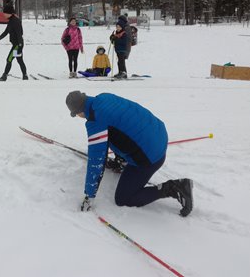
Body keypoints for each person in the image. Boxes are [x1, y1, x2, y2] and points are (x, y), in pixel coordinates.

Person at [65, 90, 193, 217]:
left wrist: (89, 195)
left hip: (149, 157)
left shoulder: (95, 121)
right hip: (158, 135)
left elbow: (96, 160)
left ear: (79, 112)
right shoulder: (104, 97)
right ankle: (120, 161)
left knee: (123, 198)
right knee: (115, 131)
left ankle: (174, 188)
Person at [0, 0, 28, 81]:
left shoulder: (15, 21)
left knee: (9, 59)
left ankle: (4, 76)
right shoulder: (11, 21)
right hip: (17, 44)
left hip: (17, 45)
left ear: (9, 13)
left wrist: (19, 46)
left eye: (4, 13)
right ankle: (25, 76)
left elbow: (20, 34)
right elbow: (5, 32)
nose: (3, 14)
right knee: (19, 60)